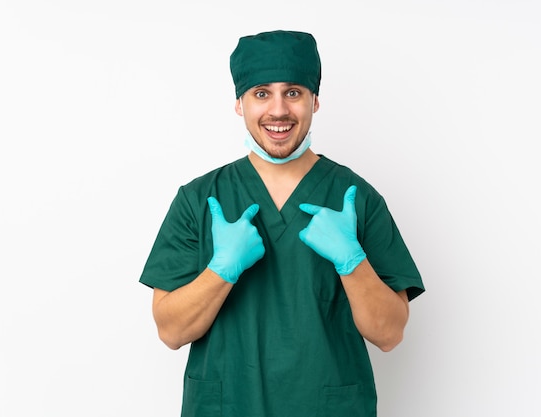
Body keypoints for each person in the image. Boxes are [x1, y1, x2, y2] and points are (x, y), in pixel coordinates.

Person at [139, 29, 425, 417]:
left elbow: (390, 334)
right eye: (261, 93)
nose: (278, 110)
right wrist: (221, 270)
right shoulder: (199, 199)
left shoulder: (355, 199)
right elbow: (171, 332)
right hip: (228, 405)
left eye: (293, 92)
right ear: (239, 103)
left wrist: (352, 261)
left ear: (315, 101)